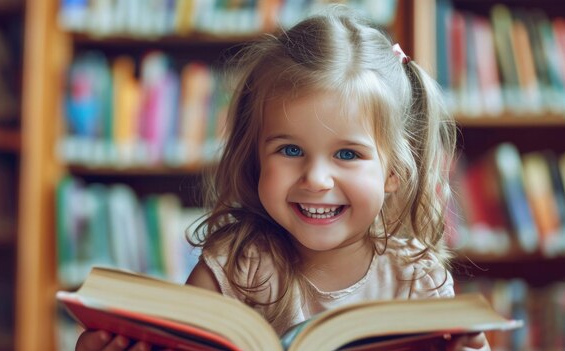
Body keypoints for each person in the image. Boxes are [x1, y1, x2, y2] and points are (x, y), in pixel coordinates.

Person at [76, 6, 489, 351]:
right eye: (290, 151)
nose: (316, 179)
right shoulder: (233, 267)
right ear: (255, 156)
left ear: (394, 172)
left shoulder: (418, 280)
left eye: (348, 154)